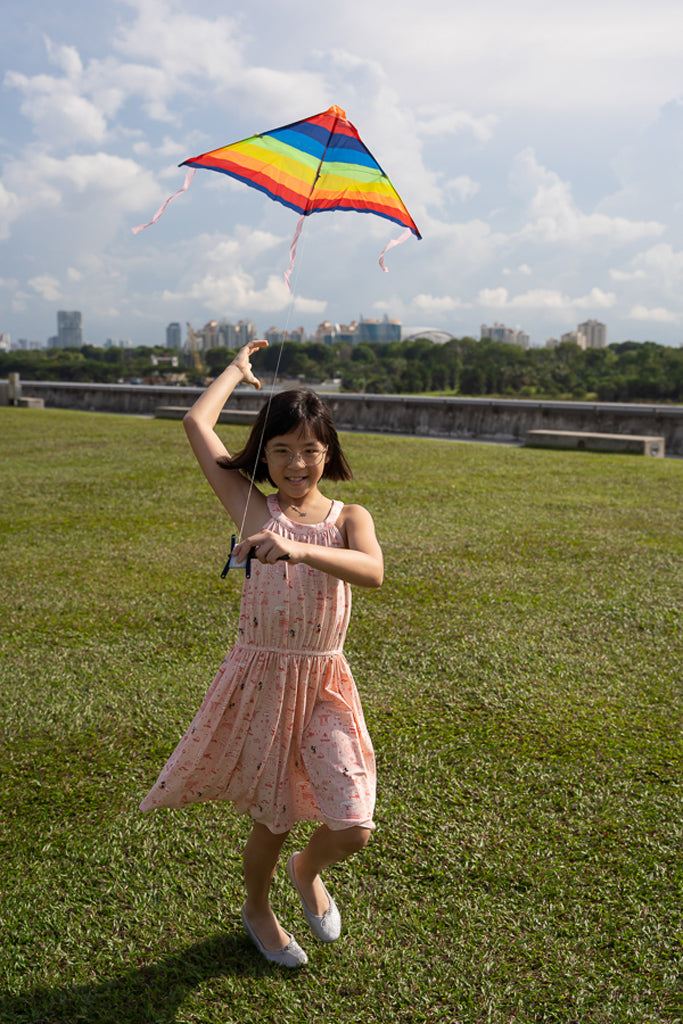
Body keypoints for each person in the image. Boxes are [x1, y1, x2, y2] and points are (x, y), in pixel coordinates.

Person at [140, 340, 383, 967]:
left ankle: (309, 870)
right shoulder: (252, 506)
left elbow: (372, 570)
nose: (296, 463)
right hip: (265, 679)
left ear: (328, 450)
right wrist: (236, 372)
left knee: (353, 822)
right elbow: (197, 424)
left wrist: (300, 550)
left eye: (308, 449)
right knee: (273, 815)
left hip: (325, 679)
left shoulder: (350, 516)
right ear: (264, 455)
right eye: (281, 450)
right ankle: (258, 907)